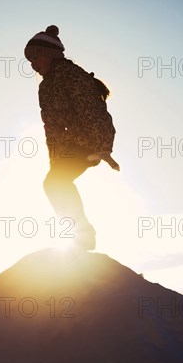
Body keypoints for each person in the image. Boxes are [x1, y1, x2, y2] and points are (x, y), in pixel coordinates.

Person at [24, 25, 119, 251]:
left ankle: (82, 235)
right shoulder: (45, 88)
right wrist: (54, 160)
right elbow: (52, 128)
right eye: (30, 62)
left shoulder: (71, 75)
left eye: (35, 58)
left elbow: (92, 109)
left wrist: (102, 146)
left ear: (49, 55)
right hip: (72, 145)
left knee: (55, 183)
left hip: (91, 140)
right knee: (54, 182)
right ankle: (79, 234)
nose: (33, 65)